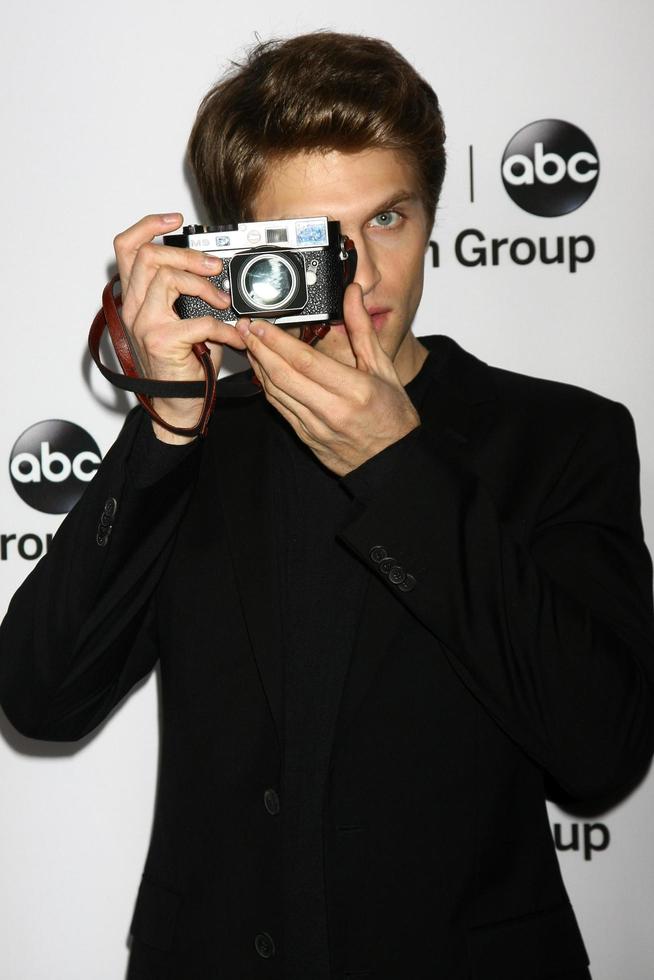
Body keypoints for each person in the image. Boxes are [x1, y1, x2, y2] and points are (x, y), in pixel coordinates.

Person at [1, 29, 653, 980]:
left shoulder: (561, 438)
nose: (364, 276)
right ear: (241, 249)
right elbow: (42, 698)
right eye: (319, 241)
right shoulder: (198, 444)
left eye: (388, 220)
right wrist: (168, 427)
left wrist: (400, 466)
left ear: (431, 212)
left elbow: (602, 753)